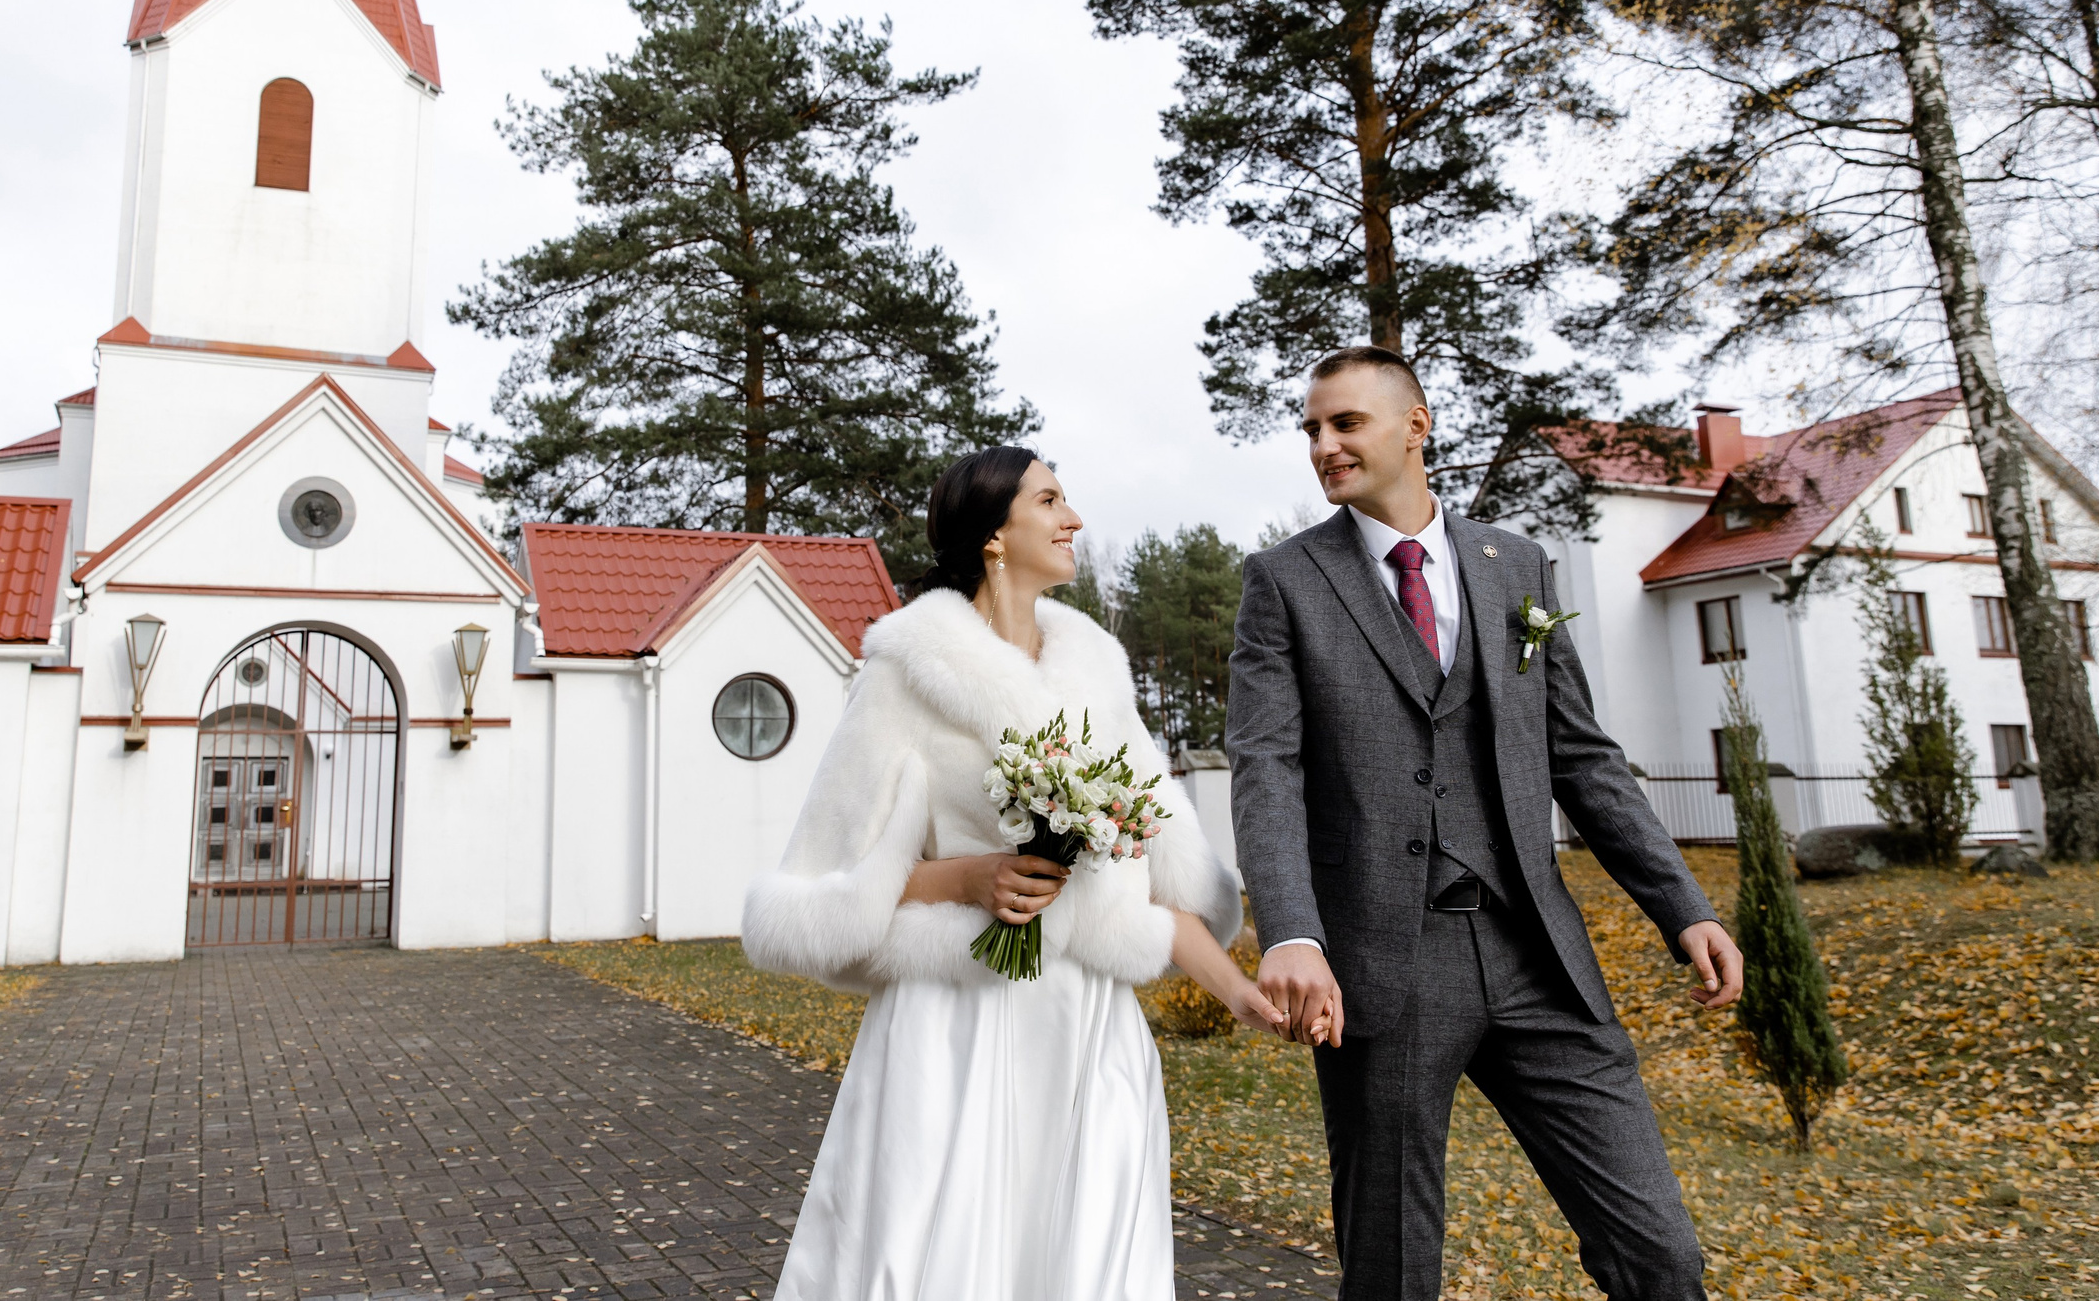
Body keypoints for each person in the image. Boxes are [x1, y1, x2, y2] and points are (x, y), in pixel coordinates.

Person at [1225, 347, 1743, 1301]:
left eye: (1346, 423)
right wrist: (1291, 930)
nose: (1324, 444)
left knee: (1660, 1253)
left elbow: (1582, 757)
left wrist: (1685, 907)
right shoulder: (1285, 580)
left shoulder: (1517, 565)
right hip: (1383, 961)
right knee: (1391, 1271)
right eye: (1312, 429)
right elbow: (1268, 769)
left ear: (1416, 426)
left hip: (1534, 951)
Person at [744, 446, 1292, 1301]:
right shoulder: (904, 674)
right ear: (994, 534)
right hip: (953, 1027)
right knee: (942, 1256)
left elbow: (1151, 876)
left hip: (1088, 1028)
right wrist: (967, 879)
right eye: (1049, 499)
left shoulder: (1097, 672)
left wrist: (1237, 991)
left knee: (1094, 1259)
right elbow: (829, 882)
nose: (1073, 518)